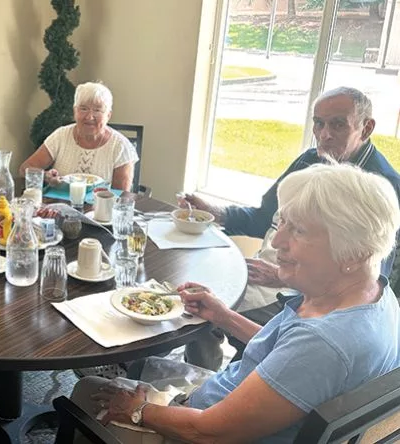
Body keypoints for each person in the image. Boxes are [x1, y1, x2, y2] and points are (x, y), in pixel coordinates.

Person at [71, 163, 400, 443]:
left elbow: (208, 432)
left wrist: (139, 410)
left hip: (203, 429)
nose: (277, 241)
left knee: (87, 392)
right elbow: (287, 353)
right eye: (282, 223)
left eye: (298, 231)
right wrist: (224, 316)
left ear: (353, 254)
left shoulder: (323, 345)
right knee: (144, 367)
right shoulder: (373, 297)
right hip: (226, 400)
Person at [180, 86, 400, 370]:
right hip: (269, 271)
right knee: (195, 297)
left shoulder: (381, 189)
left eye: (337, 124)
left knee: (208, 320)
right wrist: (214, 212)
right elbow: (262, 218)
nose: (324, 134)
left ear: (366, 128)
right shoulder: (309, 160)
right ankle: (202, 375)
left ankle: (232, 376)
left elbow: (369, 277)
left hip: (302, 292)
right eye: (318, 123)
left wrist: (284, 277)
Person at [18, 82, 137, 191]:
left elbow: (121, 196)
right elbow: (25, 168)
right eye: (83, 109)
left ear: (108, 115)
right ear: (75, 111)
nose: (89, 117)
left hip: (100, 207)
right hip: (58, 205)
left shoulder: (121, 147)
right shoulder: (60, 136)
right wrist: (46, 176)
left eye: (97, 110)